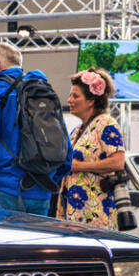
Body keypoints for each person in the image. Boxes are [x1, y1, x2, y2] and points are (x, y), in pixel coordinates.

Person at [0, 42, 71, 215]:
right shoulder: (42, 90)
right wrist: (48, 178)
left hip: (3, 190)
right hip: (42, 193)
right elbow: (65, 149)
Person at [55, 67, 125, 229]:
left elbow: (118, 162)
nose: (69, 100)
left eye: (75, 96)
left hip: (95, 213)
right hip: (74, 214)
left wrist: (79, 166)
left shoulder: (106, 123)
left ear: (91, 100)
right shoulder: (77, 131)